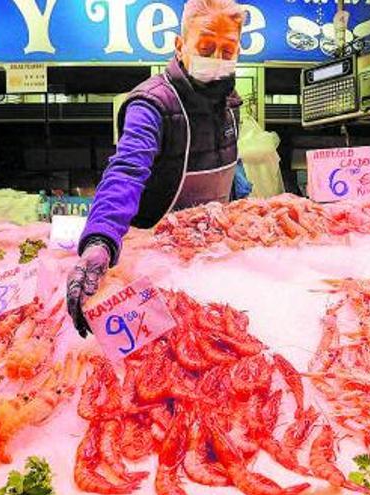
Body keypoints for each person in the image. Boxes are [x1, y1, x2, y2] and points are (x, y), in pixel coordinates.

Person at [66, 0, 247, 337]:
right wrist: (101, 240)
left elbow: (229, 164)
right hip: (158, 267)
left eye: (228, 50)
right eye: (207, 48)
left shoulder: (230, 102)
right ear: (180, 46)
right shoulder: (151, 103)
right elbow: (126, 170)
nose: (218, 59)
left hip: (216, 260)